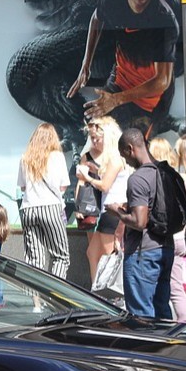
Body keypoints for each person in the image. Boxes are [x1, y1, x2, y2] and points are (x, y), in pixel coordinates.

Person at [68, 0, 177, 135]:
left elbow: (162, 80)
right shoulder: (111, 2)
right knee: (96, 132)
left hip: (150, 99)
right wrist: (86, 65)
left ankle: (169, 124)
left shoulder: (164, 18)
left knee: (132, 149)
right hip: (120, 81)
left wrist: (117, 99)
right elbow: (96, 17)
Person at [109, 128, 174, 319]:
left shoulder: (137, 179)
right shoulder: (166, 173)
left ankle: (147, 348)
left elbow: (139, 221)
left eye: (125, 156)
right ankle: (167, 347)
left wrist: (117, 211)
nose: (126, 162)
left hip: (142, 253)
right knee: (162, 309)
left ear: (130, 149)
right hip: (165, 248)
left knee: (141, 316)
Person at [75, 116, 127, 283]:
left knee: (108, 256)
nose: (95, 142)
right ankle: (98, 292)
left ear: (109, 137)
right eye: (93, 139)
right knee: (92, 252)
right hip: (108, 210)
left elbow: (105, 186)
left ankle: (111, 295)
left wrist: (88, 177)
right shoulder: (109, 158)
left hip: (113, 211)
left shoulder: (115, 158)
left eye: (98, 138)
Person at [17, 123, 71, 278]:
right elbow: (63, 186)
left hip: (28, 208)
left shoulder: (25, 158)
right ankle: (54, 297)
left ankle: (34, 300)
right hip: (51, 207)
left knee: (34, 260)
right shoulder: (57, 156)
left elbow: (22, 187)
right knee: (60, 257)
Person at [152, 137, 186, 323]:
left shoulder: (158, 179)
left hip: (169, 238)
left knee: (174, 288)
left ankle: (185, 321)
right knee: (173, 286)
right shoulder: (181, 178)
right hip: (180, 238)